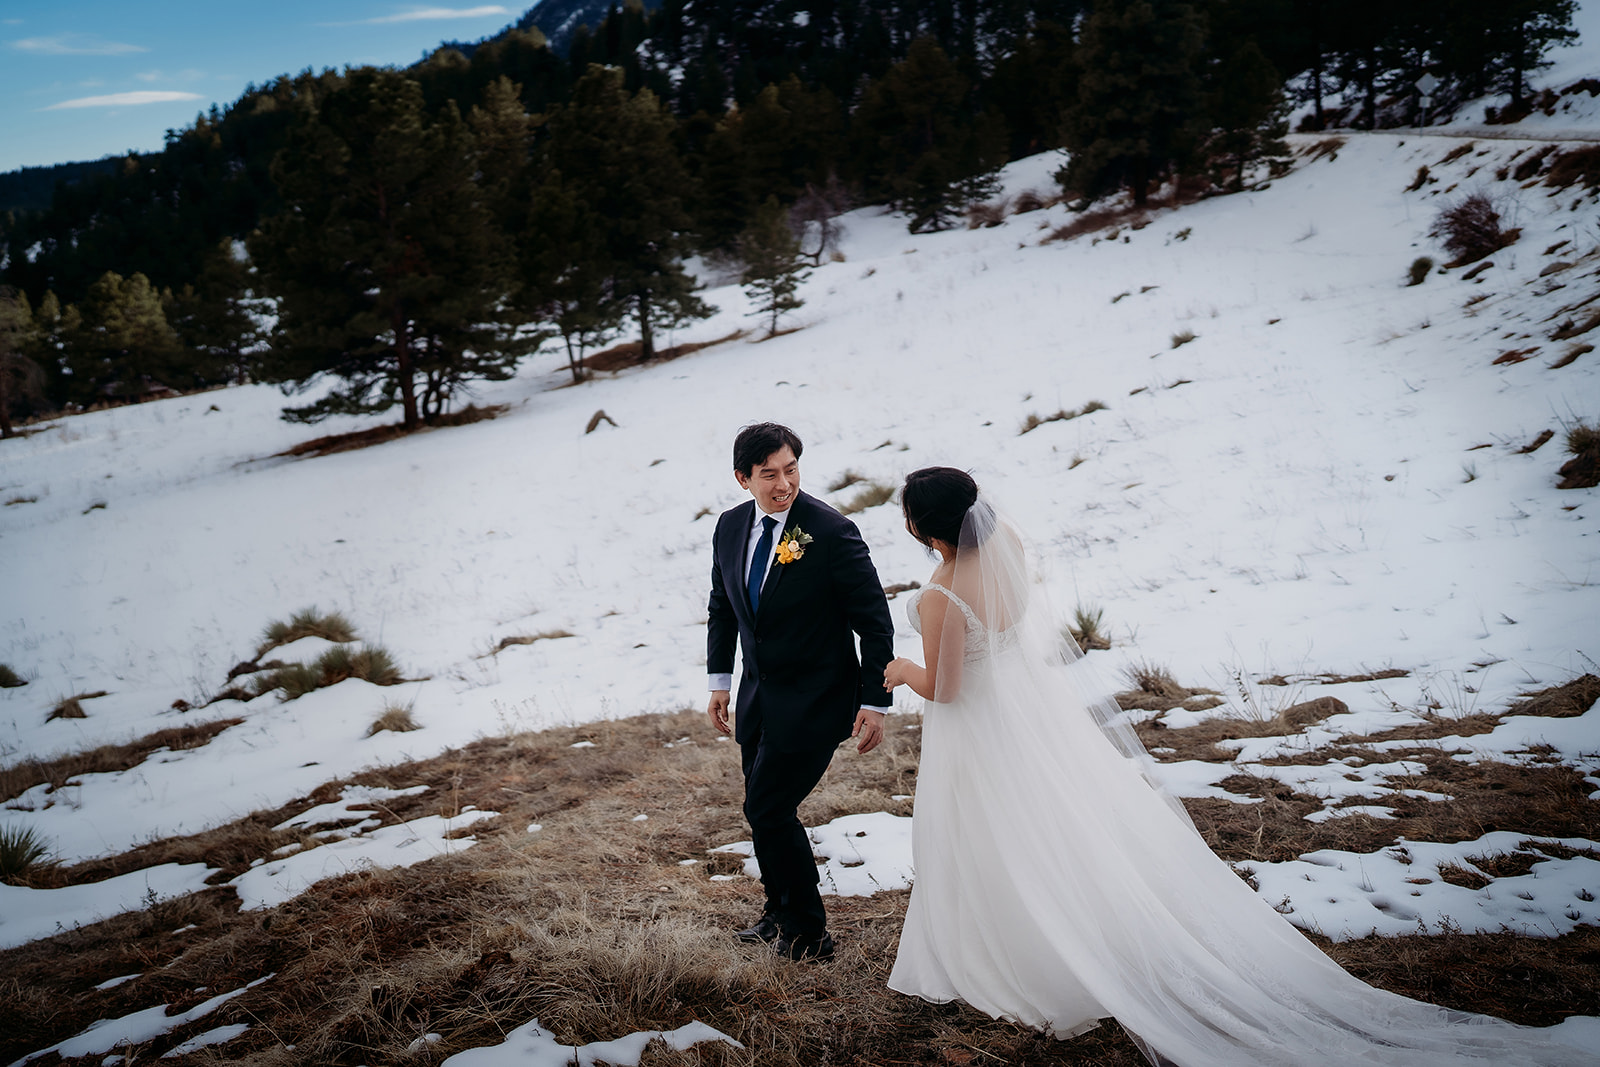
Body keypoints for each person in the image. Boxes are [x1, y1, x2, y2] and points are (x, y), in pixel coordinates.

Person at [880, 466, 1589, 1067]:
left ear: (922, 528)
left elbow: (945, 687)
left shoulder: (943, 593)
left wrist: (900, 667)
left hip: (983, 729)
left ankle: (1028, 962)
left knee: (998, 836)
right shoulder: (1007, 548)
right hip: (1032, 710)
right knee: (1066, 830)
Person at [706, 422, 895, 961]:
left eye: (791, 470)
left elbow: (874, 622)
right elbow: (723, 606)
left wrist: (874, 701)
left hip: (817, 700)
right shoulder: (730, 527)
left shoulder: (831, 531)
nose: (783, 484)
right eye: (769, 474)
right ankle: (779, 913)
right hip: (756, 697)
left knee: (766, 807)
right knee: (762, 808)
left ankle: (809, 934)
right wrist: (721, 681)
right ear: (744, 479)